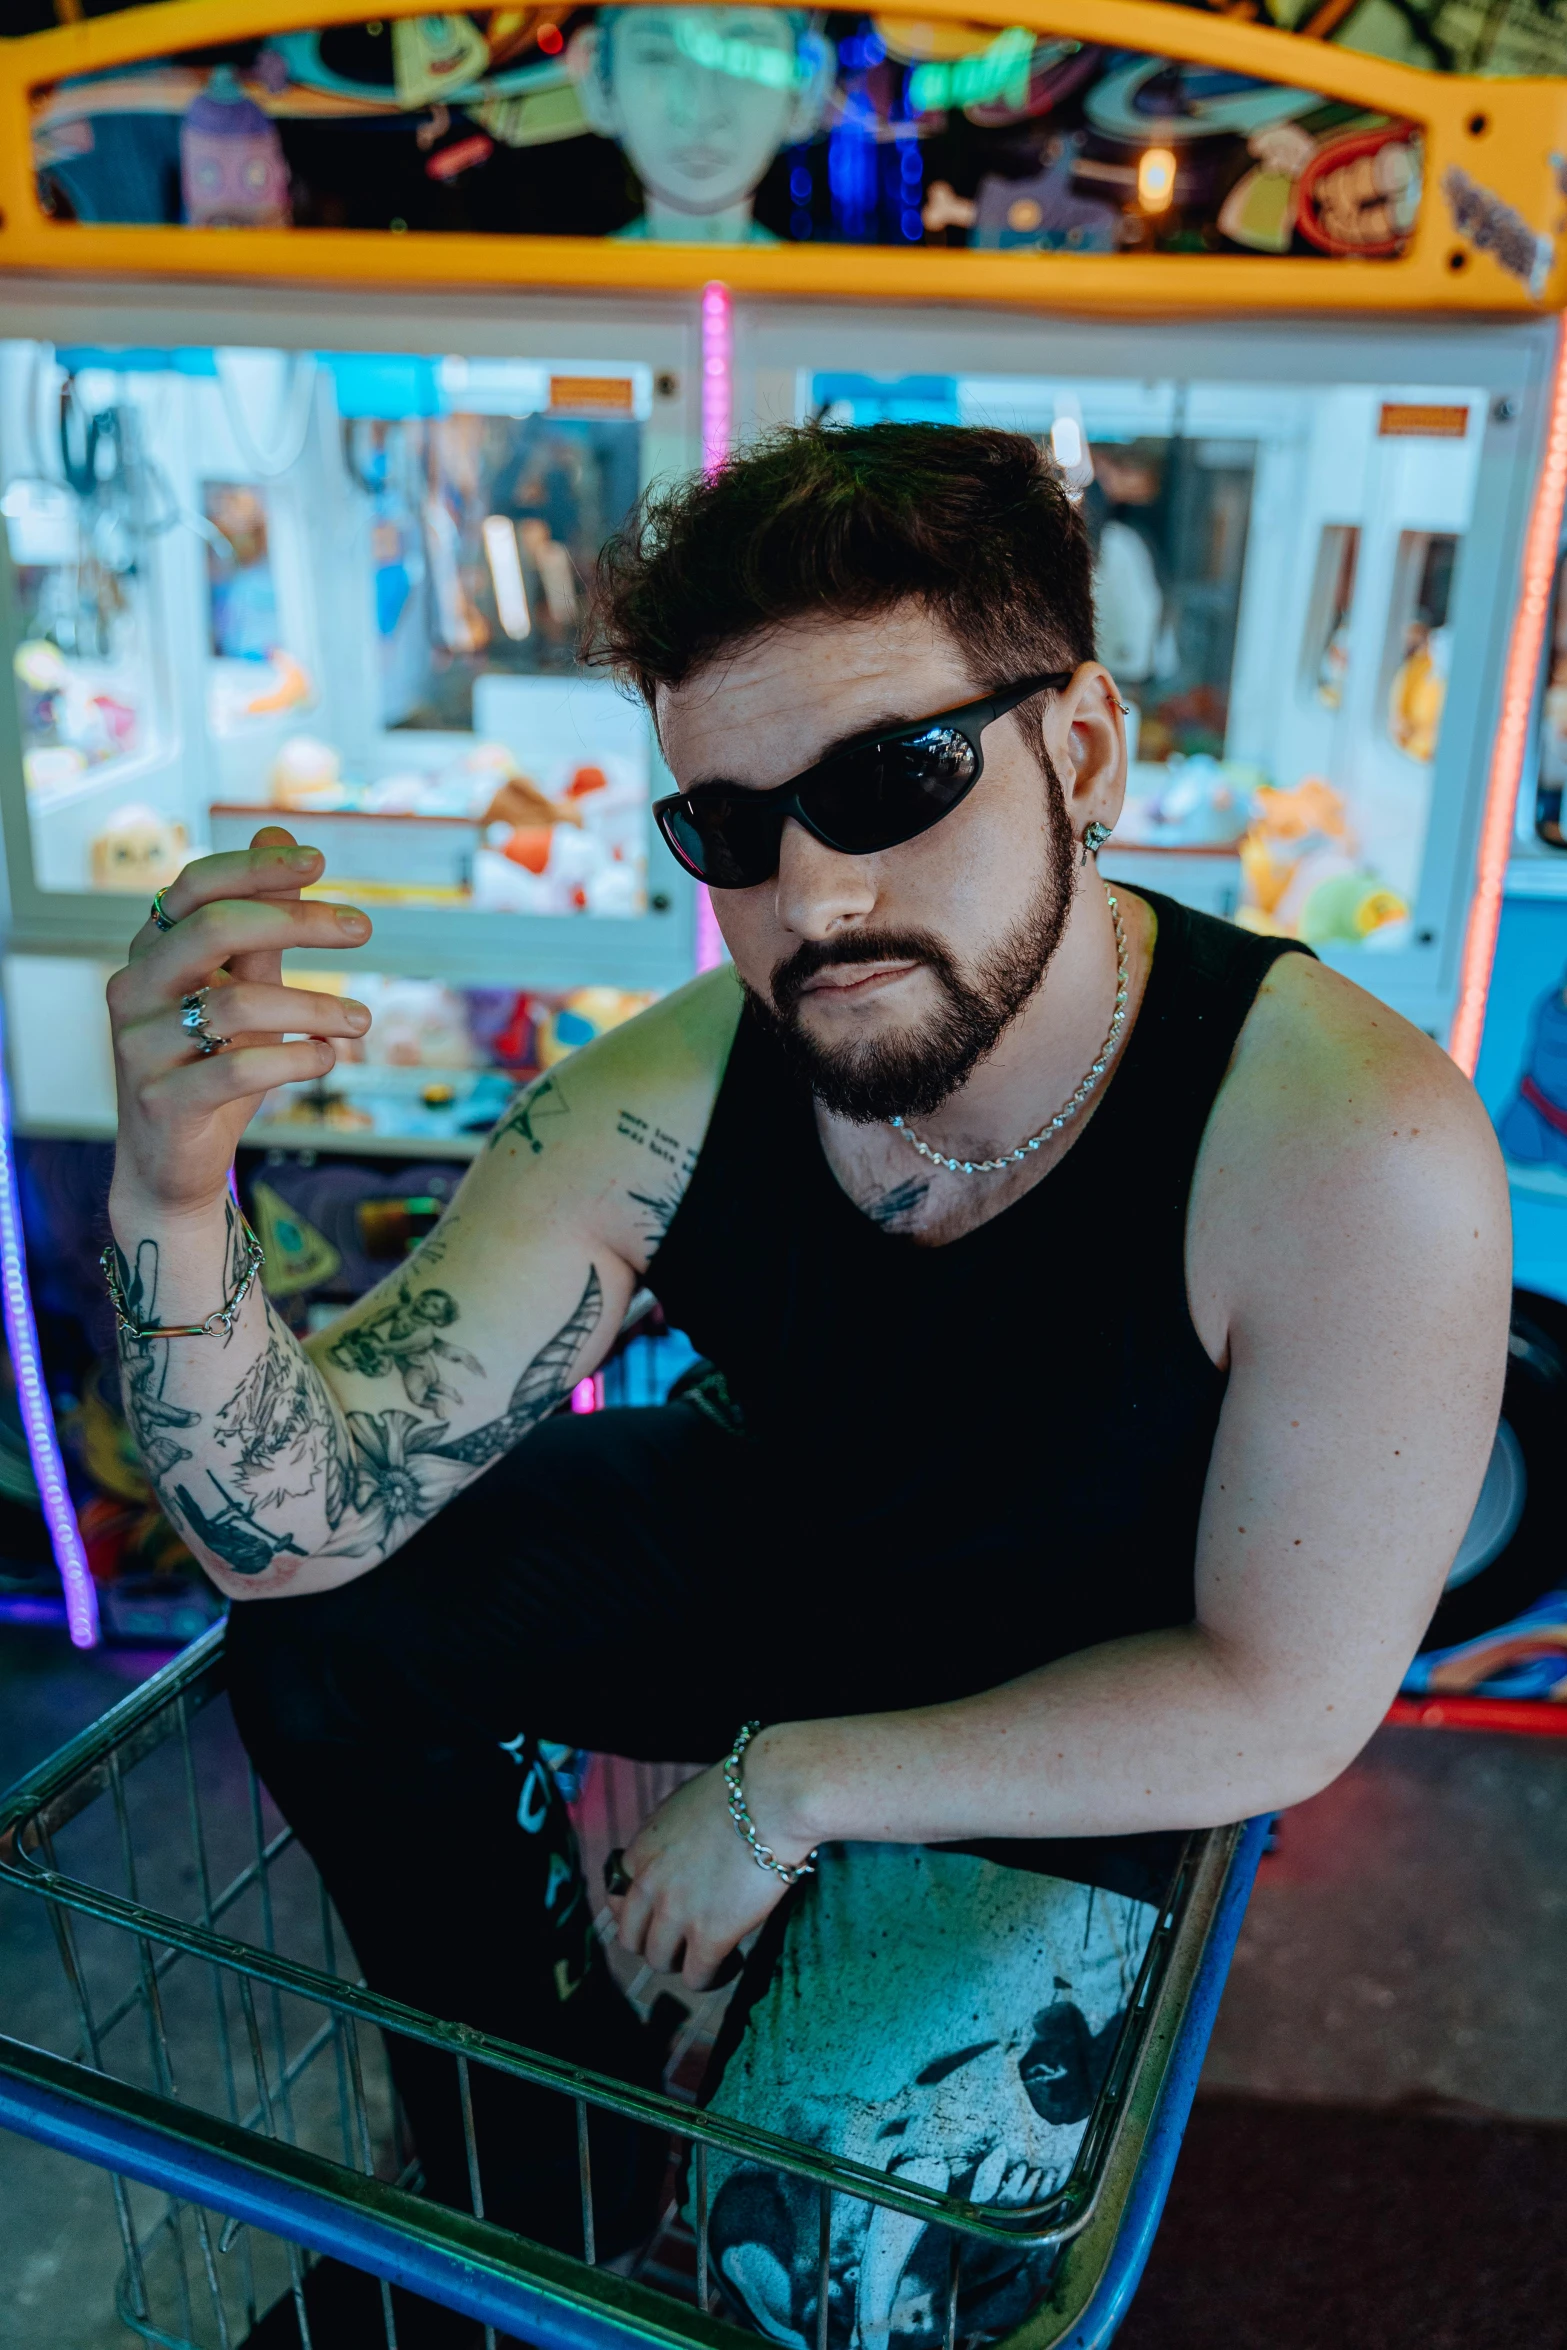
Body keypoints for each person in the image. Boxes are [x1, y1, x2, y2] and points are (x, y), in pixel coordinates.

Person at [103, 425, 1509, 2300]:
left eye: (893, 778)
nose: (812, 895)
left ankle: (683, 2200)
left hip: (1098, 1690)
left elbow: (1282, 1700)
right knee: (331, 1648)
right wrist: (169, 1188)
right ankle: (547, 2184)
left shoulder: (1349, 1147)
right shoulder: (682, 1086)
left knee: (819, 2234)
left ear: (1079, 749)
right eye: (730, 826)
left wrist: (789, 1795)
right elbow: (292, 1528)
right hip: (807, 1557)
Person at [570, 6, 834, 242]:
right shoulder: (564, 283)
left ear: (807, 87)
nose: (700, 112)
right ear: (598, 82)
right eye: (656, 56)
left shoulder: (822, 290)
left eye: (748, 62)